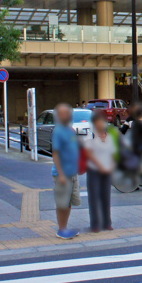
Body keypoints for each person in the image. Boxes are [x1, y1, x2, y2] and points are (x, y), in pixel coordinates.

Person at [84, 111, 120, 233]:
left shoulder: (109, 136)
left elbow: (113, 153)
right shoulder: (90, 135)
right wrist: (101, 166)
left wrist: (111, 166)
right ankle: (95, 224)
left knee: (106, 196)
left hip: (107, 170)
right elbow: (89, 154)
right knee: (94, 197)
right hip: (94, 170)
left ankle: (107, 223)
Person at [50, 103, 81, 240]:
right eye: (63, 113)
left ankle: (65, 227)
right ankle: (61, 229)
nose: (67, 115)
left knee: (68, 202)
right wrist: (61, 174)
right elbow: (55, 153)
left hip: (72, 172)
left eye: (68, 112)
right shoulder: (58, 131)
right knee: (62, 203)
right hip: (62, 174)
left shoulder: (71, 130)